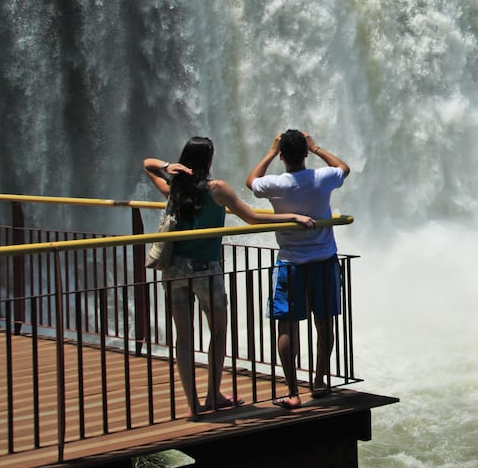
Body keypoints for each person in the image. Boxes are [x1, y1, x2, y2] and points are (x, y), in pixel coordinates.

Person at [144, 136, 315, 418]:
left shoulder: (175, 188)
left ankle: (195, 405)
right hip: (206, 270)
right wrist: (292, 217)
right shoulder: (217, 189)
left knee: (183, 338)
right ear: (208, 161)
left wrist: (168, 166)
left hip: (174, 269)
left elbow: (147, 165)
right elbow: (252, 218)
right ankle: (213, 394)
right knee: (219, 331)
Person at [246, 130, 350, 410]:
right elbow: (343, 168)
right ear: (304, 153)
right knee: (324, 322)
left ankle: (292, 391)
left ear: (282, 156)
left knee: (287, 327)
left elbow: (250, 181)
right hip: (324, 261)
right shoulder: (321, 178)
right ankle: (318, 381)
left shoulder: (276, 185)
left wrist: (269, 151)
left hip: (290, 263)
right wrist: (316, 147)